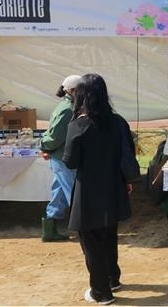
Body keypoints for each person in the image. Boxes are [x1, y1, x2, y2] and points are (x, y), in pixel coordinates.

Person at [63, 74, 136, 305]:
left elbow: (71, 161)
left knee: (91, 241)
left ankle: (101, 291)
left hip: (89, 191)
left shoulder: (78, 125)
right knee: (108, 235)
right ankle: (112, 278)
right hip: (114, 186)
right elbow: (129, 152)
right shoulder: (118, 122)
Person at [40, 74, 81, 242]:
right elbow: (56, 136)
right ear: (73, 90)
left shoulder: (65, 106)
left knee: (59, 194)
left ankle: (49, 230)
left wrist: (46, 147)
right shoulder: (68, 109)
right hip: (64, 158)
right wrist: (45, 146)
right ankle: (85, 229)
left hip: (59, 157)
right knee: (74, 195)